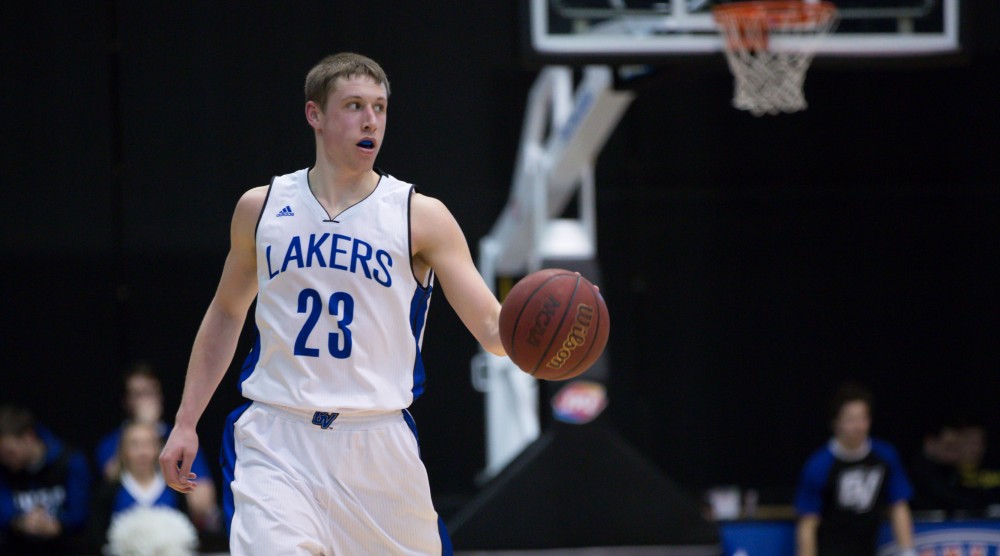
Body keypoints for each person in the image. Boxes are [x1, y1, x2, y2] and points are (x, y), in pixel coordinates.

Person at [159, 52, 507, 555]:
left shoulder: (420, 216)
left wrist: (546, 341)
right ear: (314, 114)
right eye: (354, 105)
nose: (371, 120)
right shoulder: (261, 207)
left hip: (378, 443)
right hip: (279, 437)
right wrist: (186, 420)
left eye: (380, 107)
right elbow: (227, 312)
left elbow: (494, 332)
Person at [95, 362, 219, 532]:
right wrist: (145, 426)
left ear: (160, 396)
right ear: (125, 401)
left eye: (150, 393)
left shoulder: (182, 439)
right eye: (138, 394)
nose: (146, 400)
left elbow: (203, 504)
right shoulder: (110, 442)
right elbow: (112, 480)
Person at [794, 383, 916, 556]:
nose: (857, 426)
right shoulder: (819, 466)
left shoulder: (885, 456)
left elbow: (898, 505)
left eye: (862, 418)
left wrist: (908, 551)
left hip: (869, 548)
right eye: (850, 419)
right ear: (836, 423)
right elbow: (808, 524)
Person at [0, 404, 91, 555]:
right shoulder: (3, 469)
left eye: (9, 453)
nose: (4, 460)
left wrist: (59, 524)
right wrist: (18, 522)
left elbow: (81, 513)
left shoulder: (70, 461)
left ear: (28, 437)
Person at [90, 421, 194, 551]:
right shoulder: (108, 491)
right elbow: (98, 539)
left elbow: (186, 533)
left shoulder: (174, 489)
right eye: (135, 445)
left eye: (148, 444)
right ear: (123, 450)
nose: (142, 452)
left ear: (158, 449)